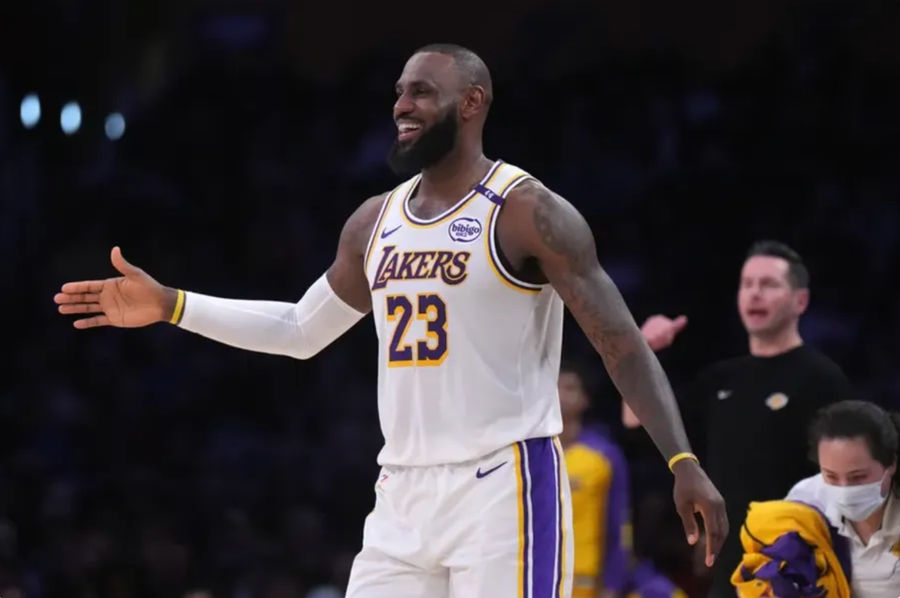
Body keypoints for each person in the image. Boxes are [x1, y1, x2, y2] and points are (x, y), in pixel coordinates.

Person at [54, 43, 726, 597]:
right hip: (402, 491)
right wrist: (172, 304)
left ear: (472, 103)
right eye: (400, 92)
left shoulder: (526, 210)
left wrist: (682, 458)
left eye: (421, 92)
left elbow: (621, 344)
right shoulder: (375, 221)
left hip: (504, 487)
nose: (401, 105)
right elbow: (298, 330)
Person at [622, 240, 854, 596]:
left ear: (800, 301)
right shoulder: (720, 380)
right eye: (747, 284)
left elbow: (850, 486)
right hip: (729, 571)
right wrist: (642, 353)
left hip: (798, 571)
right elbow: (641, 428)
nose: (754, 294)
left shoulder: (823, 379)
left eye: (769, 284)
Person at [737, 400, 900, 598]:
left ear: (891, 464)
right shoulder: (806, 502)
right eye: (830, 476)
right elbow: (755, 580)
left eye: (858, 477)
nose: (844, 488)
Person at [558, 361, 687, 598]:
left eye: (569, 388)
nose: (559, 395)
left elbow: (618, 523)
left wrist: (612, 586)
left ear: (585, 400)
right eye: (554, 386)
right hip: (541, 578)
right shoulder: (531, 455)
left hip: (588, 582)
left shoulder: (603, 456)